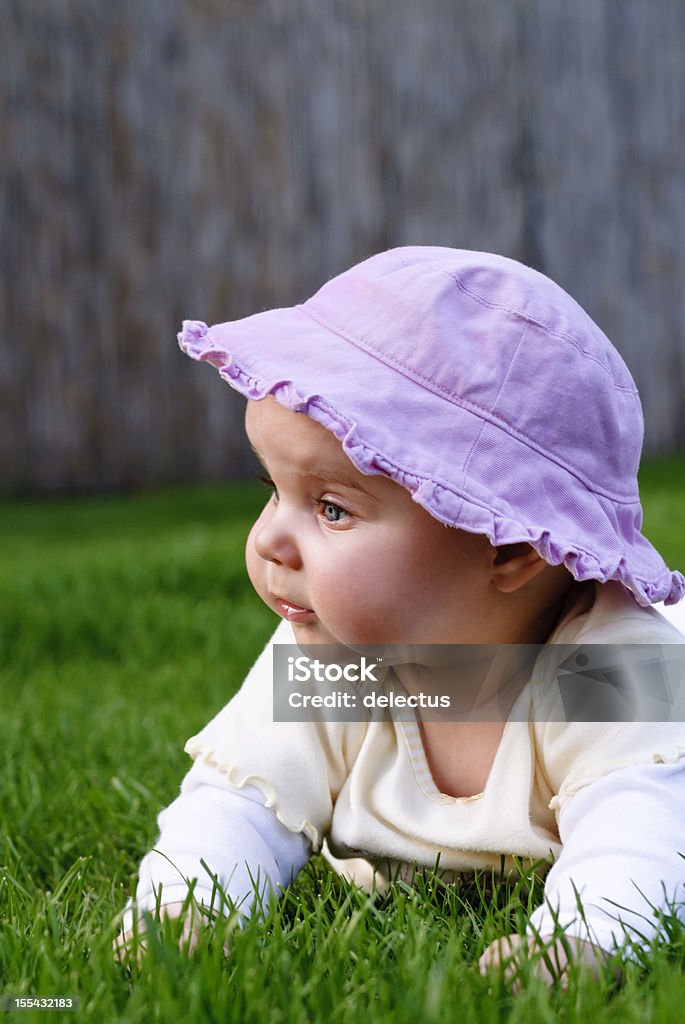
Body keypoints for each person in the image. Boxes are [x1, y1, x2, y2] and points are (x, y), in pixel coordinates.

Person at [116, 247, 685, 981]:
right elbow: (239, 799)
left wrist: (590, 939)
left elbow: (641, 832)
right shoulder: (333, 656)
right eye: (271, 490)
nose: (266, 541)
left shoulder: (610, 664)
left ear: (508, 547)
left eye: (330, 508)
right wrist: (187, 908)